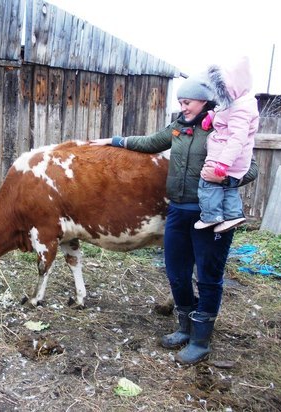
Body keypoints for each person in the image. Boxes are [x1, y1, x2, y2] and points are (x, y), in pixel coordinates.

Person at [89, 75, 258, 365]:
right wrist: (112, 141)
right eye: (180, 102)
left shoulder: (223, 125)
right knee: (177, 273)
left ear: (204, 101)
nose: (183, 107)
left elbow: (250, 167)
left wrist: (225, 178)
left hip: (211, 215)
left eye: (187, 102)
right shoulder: (179, 127)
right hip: (177, 211)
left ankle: (201, 340)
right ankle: (185, 327)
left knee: (208, 276)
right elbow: (150, 142)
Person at [194, 57, 260, 233]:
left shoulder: (241, 109)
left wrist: (223, 163)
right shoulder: (241, 103)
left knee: (207, 181)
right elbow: (226, 114)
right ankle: (233, 215)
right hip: (235, 159)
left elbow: (237, 138)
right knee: (227, 187)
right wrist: (213, 116)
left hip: (226, 157)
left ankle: (210, 216)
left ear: (233, 87)